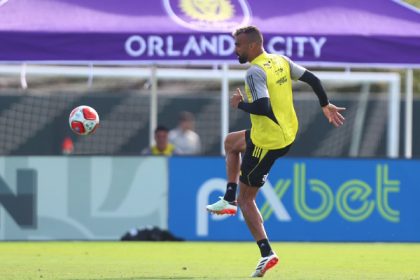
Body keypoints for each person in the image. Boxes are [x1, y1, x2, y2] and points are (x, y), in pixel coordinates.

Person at [206, 26, 345, 277]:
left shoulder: (254, 72)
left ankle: (266, 252)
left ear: (251, 46)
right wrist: (325, 104)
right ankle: (228, 198)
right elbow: (313, 79)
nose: (235, 49)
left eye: (238, 45)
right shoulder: (279, 60)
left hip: (267, 142)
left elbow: (261, 106)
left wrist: (239, 105)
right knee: (231, 143)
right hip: (285, 132)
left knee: (247, 199)